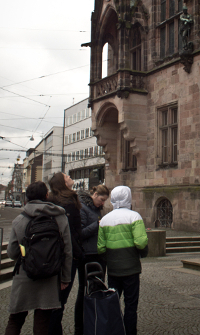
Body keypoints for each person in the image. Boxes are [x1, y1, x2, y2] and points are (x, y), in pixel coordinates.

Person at [4, 181, 72, 335]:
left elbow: (12, 252)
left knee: (15, 320)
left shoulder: (19, 220)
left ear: (27, 197)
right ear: (46, 196)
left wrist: (26, 254)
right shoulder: (60, 217)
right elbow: (67, 250)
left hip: (25, 274)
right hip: (50, 276)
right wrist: (65, 278)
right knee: (42, 323)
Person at [97, 186, 148, 335]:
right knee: (131, 305)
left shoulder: (105, 220)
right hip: (131, 268)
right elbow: (141, 243)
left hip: (113, 269)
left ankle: (114, 331)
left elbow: (100, 248)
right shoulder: (134, 217)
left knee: (113, 303)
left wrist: (111, 258)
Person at [48, 172, 83, 335]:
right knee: (60, 302)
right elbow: (70, 233)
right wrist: (78, 253)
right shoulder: (68, 202)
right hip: (68, 257)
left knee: (56, 301)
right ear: (63, 183)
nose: (70, 177)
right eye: (66, 176)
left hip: (55, 256)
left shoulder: (54, 201)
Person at [75, 184, 110, 335]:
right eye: (101, 200)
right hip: (87, 255)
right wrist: (97, 225)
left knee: (97, 290)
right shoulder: (82, 208)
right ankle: (80, 328)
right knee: (83, 291)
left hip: (99, 254)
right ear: (94, 194)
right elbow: (80, 233)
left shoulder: (97, 210)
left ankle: (94, 325)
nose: (103, 203)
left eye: (105, 201)